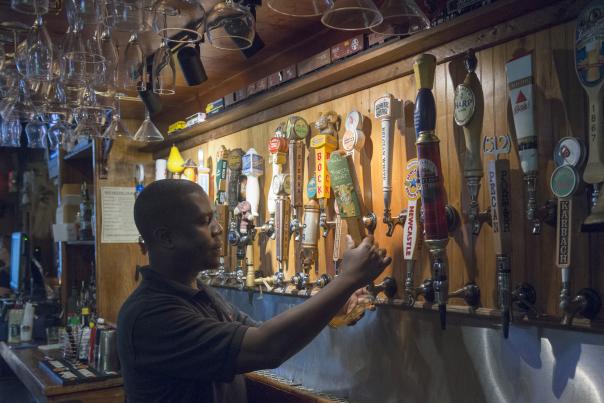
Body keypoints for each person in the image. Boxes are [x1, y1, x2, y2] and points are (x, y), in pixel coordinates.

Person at [117, 179, 391, 403]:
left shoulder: (198, 292)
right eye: (204, 221)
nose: (219, 228)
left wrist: (337, 298)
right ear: (166, 238)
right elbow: (266, 348)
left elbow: (263, 331)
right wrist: (347, 279)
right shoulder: (150, 315)